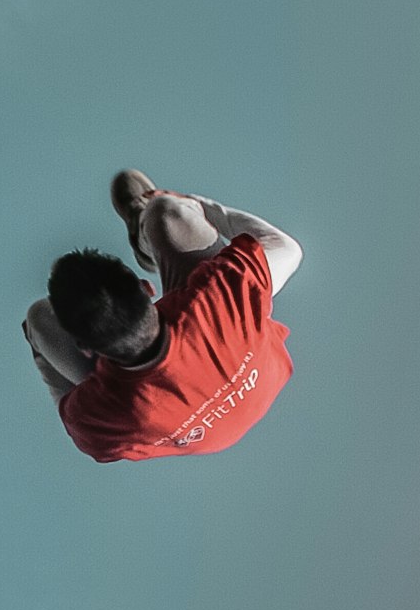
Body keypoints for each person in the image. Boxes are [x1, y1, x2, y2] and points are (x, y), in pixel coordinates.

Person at [23, 171, 303, 463]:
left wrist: (41, 348)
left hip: (171, 420)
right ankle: (145, 224)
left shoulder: (98, 415)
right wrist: (196, 204)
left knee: (40, 321)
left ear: (84, 346)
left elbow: (71, 417)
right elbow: (288, 249)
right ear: (147, 288)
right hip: (259, 375)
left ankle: (140, 230)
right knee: (168, 212)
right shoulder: (219, 298)